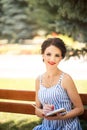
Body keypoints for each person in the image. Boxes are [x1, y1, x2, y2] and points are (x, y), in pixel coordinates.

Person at [33, 38, 84, 130]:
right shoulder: (38, 80)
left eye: (57, 55)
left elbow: (80, 109)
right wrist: (44, 112)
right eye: (48, 54)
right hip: (47, 127)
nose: (52, 59)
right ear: (43, 54)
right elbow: (37, 110)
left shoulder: (66, 79)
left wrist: (60, 117)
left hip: (67, 126)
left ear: (61, 58)